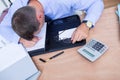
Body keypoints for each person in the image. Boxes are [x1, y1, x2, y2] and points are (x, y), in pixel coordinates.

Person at [0, 0, 104, 48]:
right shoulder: (17, 8)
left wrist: (86, 24)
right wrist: (19, 39)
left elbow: (97, 3)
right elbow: (2, 28)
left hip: (67, 22)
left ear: (40, 17)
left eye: (38, 30)